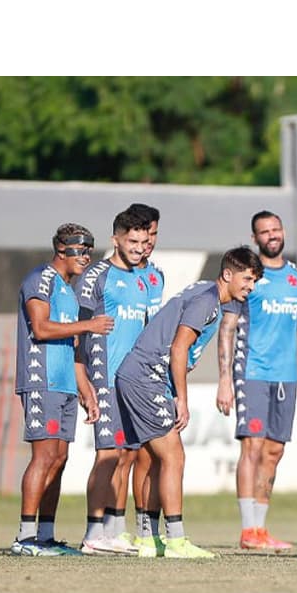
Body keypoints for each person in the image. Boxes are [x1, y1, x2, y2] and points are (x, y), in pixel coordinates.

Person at [115, 247, 263, 558]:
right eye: (247, 279)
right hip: (146, 377)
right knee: (174, 457)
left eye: (254, 281)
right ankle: (176, 540)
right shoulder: (208, 301)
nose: (250, 287)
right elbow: (180, 347)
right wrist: (181, 398)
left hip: (137, 374)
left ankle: (146, 537)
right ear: (227, 275)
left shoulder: (204, 292)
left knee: (149, 458)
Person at [216, 211, 297, 551]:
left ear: (283, 232)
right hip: (252, 370)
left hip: (286, 376)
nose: (272, 235)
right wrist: (224, 378)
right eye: (264, 232)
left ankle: (261, 531)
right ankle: (247, 530)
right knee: (251, 446)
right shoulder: (248, 279)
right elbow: (227, 327)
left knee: (274, 450)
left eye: (276, 229)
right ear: (255, 239)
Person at [11, 223, 114, 556]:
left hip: (65, 383)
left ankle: (45, 536)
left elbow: (70, 345)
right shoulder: (40, 280)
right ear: (61, 250)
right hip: (43, 380)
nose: (85, 257)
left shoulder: (69, 290)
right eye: (80, 251)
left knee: (59, 458)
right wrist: (89, 325)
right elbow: (40, 328)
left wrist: (86, 390)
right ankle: (25, 538)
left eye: (89, 251)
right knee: (43, 457)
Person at [76, 208, 153, 554]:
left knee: (126, 455)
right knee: (107, 455)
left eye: (142, 240)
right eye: (131, 240)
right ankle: (93, 533)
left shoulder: (142, 279)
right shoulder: (97, 275)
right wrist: (84, 380)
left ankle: (111, 531)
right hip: (104, 377)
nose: (138, 247)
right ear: (116, 240)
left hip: (132, 383)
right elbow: (78, 329)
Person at [125, 202, 165, 546]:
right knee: (128, 453)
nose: (148, 241)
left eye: (153, 234)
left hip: (151, 372)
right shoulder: (112, 274)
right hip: (122, 373)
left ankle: (145, 530)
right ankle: (107, 529)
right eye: (144, 234)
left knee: (151, 454)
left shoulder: (155, 275)